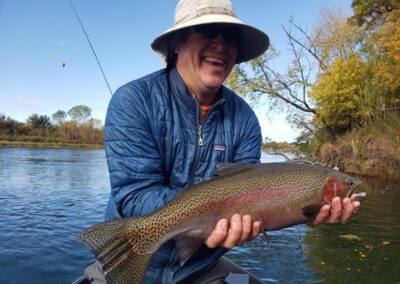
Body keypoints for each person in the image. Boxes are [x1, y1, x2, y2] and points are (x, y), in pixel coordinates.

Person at [85, 0, 361, 283]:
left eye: (230, 37)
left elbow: (256, 202)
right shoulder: (132, 101)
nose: (220, 43)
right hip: (128, 260)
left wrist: (308, 214)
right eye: (207, 31)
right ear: (177, 44)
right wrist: (193, 218)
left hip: (200, 268)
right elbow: (134, 196)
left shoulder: (246, 120)